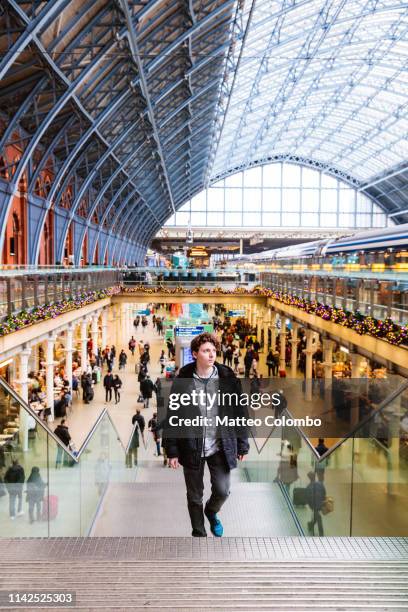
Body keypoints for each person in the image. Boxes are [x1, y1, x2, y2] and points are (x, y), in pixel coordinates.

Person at [163, 332, 249, 538]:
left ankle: (211, 511)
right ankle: (199, 534)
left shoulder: (228, 378)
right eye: (205, 351)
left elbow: (239, 412)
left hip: (220, 445)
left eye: (213, 350)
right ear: (195, 354)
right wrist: (172, 451)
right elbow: (173, 415)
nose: (211, 355)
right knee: (194, 497)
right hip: (192, 447)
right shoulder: (182, 381)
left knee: (222, 490)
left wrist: (242, 444)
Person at [306, 471, 326, 536]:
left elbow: (307, 498)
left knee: (317, 517)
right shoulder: (320, 484)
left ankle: (312, 526)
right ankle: (320, 533)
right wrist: (323, 501)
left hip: (314, 505)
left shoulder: (308, 487)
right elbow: (324, 493)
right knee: (318, 516)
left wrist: (310, 506)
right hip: (320, 503)